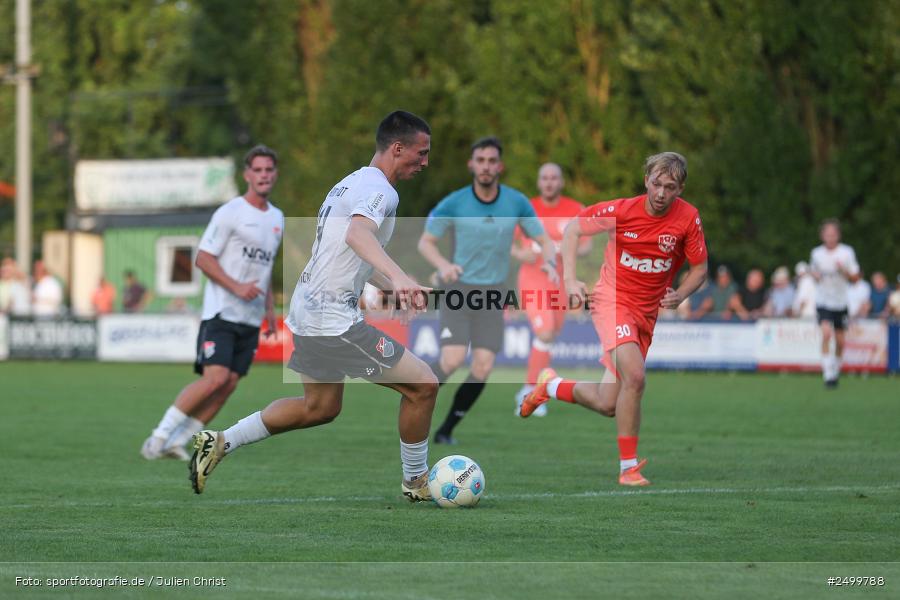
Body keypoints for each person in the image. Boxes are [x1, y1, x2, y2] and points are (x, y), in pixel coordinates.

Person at [189, 111, 439, 503]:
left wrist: (394, 286)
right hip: (332, 319)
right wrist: (403, 278)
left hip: (310, 312)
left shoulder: (348, 184)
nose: (424, 162)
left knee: (319, 407)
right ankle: (416, 482)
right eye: (421, 153)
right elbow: (359, 236)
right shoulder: (381, 191)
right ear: (397, 148)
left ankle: (220, 441)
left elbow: (348, 253)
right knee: (423, 385)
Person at [519, 152, 708, 487]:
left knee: (609, 403)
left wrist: (681, 293)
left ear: (680, 189)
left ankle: (549, 385)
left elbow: (700, 269)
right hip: (612, 300)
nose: (661, 193)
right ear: (646, 179)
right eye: (656, 183)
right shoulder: (621, 210)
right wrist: (571, 280)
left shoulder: (688, 218)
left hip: (646, 313)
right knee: (635, 376)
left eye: (670, 186)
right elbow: (575, 228)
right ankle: (628, 468)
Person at [141, 145, 284, 461]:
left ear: (275, 174)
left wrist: (270, 309)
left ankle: (179, 439)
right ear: (247, 175)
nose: (263, 176)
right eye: (257, 170)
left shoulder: (277, 218)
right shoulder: (230, 212)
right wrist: (235, 287)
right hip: (221, 311)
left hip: (250, 317)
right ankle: (158, 437)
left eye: (269, 170)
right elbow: (203, 259)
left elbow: (266, 266)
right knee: (215, 378)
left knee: (230, 383)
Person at [417, 137, 559, 445]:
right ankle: (415, 398)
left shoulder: (516, 202)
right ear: (472, 165)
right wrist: (443, 264)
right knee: (452, 359)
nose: (486, 166)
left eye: (492, 161)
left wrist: (549, 263)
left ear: (500, 166)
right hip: (458, 290)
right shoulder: (454, 202)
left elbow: (545, 240)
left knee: (483, 366)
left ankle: (445, 431)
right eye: (480, 160)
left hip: (493, 294)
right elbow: (426, 242)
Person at [510, 162, 591, 416]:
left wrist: (561, 249)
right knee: (544, 333)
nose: (549, 182)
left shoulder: (575, 209)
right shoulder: (526, 208)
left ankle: (533, 389)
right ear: (538, 182)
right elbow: (506, 243)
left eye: (554, 178)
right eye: (544, 178)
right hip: (533, 278)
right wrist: (522, 253)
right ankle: (529, 392)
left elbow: (587, 245)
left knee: (549, 337)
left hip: (561, 281)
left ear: (561, 182)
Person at [809, 218, 860, 388]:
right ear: (822, 235)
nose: (830, 237)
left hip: (840, 301)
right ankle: (828, 374)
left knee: (840, 341)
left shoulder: (847, 252)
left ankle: (835, 370)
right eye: (827, 234)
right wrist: (815, 276)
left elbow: (855, 278)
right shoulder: (816, 253)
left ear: (838, 235)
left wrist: (843, 270)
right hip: (823, 300)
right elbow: (815, 275)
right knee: (825, 334)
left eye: (833, 234)